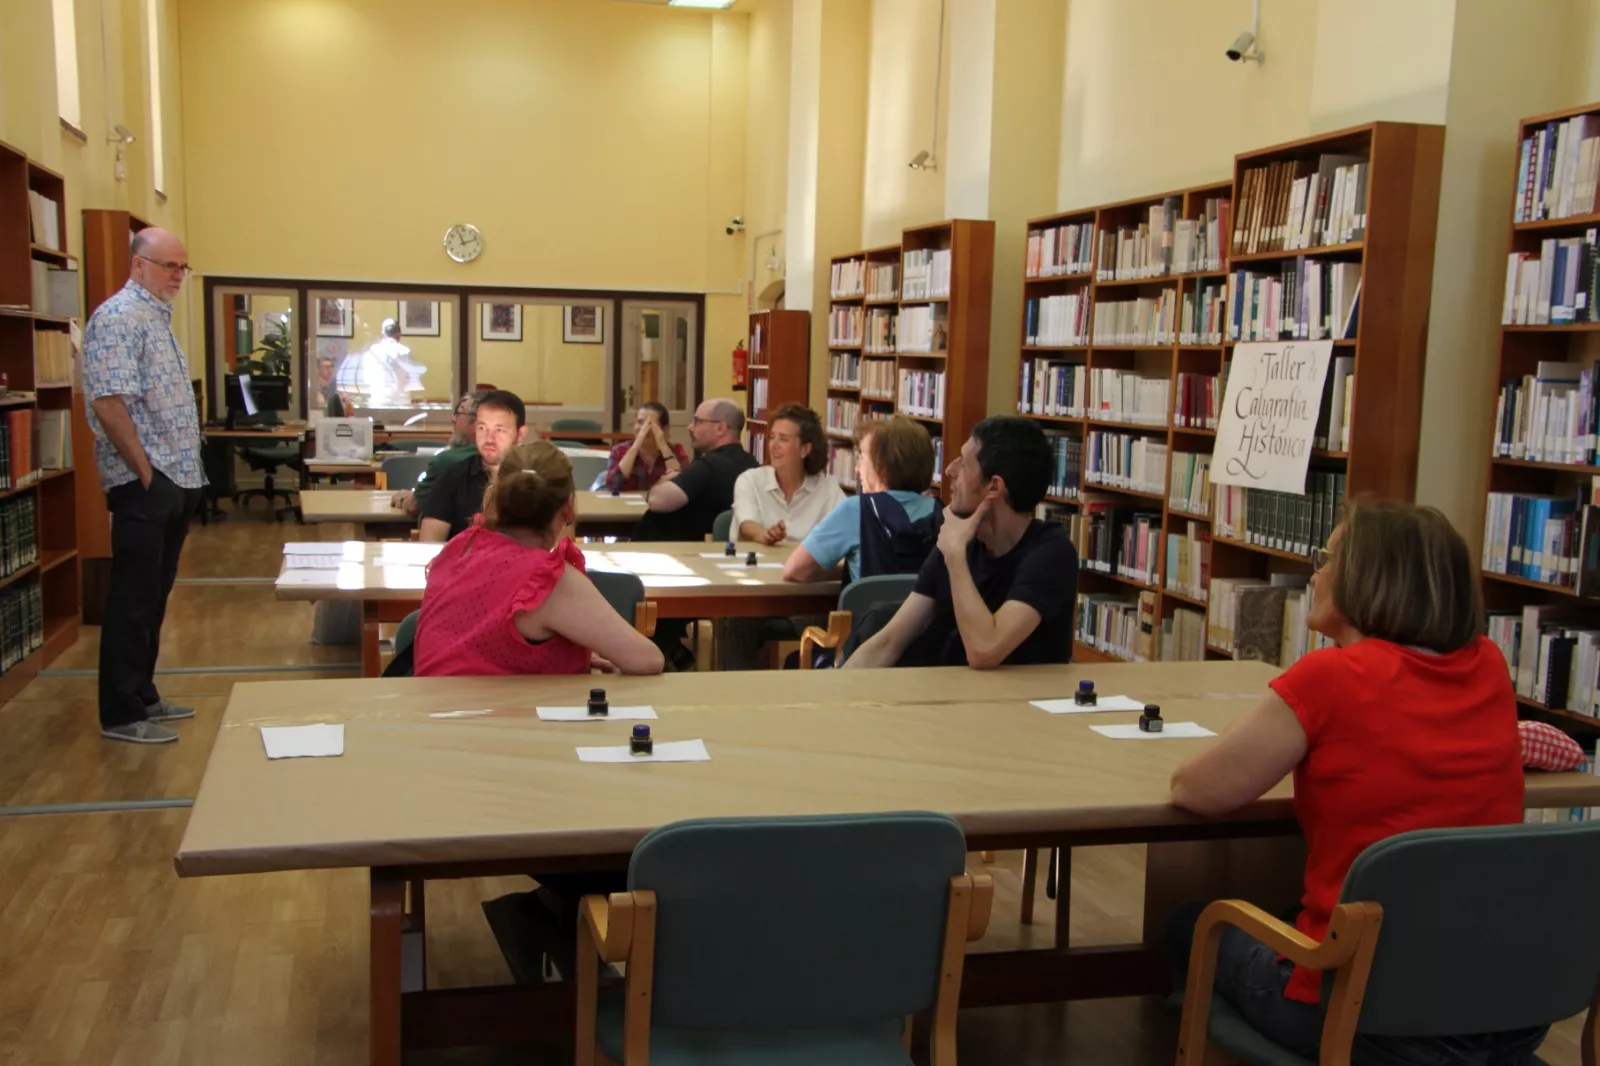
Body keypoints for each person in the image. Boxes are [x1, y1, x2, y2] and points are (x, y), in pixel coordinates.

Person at [1165, 501, 1541, 1064]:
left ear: (1369, 576)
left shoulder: (1331, 678)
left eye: (1328, 557)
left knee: (1192, 924)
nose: (1314, 573)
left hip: (1354, 1002)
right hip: (1492, 1001)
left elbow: (1198, 790)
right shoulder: (1488, 664)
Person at [82, 227, 205, 744]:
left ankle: (144, 695)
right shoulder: (117, 317)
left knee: (155, 594)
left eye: (182, 266)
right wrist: (146, 471)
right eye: (167, 265)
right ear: (138, 266)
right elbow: (108, 401)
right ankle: (121, 712)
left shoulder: (157, 319)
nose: (177, 275)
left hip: (176, 477)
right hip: (145, 483)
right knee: (133, 598)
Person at [842, 417, 1077, 670]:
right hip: (957, 699)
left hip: (1020, 704)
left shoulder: (1051, 553)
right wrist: (832, 698)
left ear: (994, 487)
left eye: (963, 464)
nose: (949, 470)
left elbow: (984, 650)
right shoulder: (960, 540)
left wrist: (955, 555)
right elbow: (889, 642)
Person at [414, 441, 663, 677]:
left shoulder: (462, 546)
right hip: (491, 717)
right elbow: (646, 659)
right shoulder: (545, 579)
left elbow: (476, 647)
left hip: (431, 713)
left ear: (497, 497)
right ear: (567, 507)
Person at [783, 415, 938, 584]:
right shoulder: (944, 515)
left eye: (862, 457)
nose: (857, 468)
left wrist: (851, 572)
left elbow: (795, 571)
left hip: (872, 610)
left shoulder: (857, 510)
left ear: (884, 467)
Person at [636, 397, 757, 541]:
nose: (690, 427)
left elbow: (657, 500)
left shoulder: (707, 466)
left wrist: (665, 481)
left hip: (674, 553)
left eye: (697, 421)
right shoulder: (753, 464)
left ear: (720, 428)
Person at [419, 389, 529, 542]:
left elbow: (563, 552)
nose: (489, 439)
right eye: (482, 428)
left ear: (520, 434)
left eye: (499, 430)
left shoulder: (538, 482)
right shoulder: (452, 478)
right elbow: (428, 546)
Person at [731, 403, 843, 545]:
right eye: (772, 437)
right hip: (756, 564)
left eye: (783, 439)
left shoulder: (827, 489)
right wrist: (763, 535)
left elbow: (846, 528)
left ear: (805, 449)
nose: (774, 445)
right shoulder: (750, 480)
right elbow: (746, 524)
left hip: (805, 566)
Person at [393, 390, 483, 516]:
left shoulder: (446, 461)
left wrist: (404, 498)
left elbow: (415, 506)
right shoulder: (509, 458)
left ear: (478, 423)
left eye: (459, 414)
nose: (453, 420)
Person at [603, 402, 688, 493]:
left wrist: (663, 446)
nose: (642, 429)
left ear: (664, 429)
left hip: (663, 506)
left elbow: (683, 485)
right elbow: (612, 483)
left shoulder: (677, 451)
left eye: (649, 424)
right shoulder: (619, 450)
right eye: (640, 422)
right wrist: (636, 446)